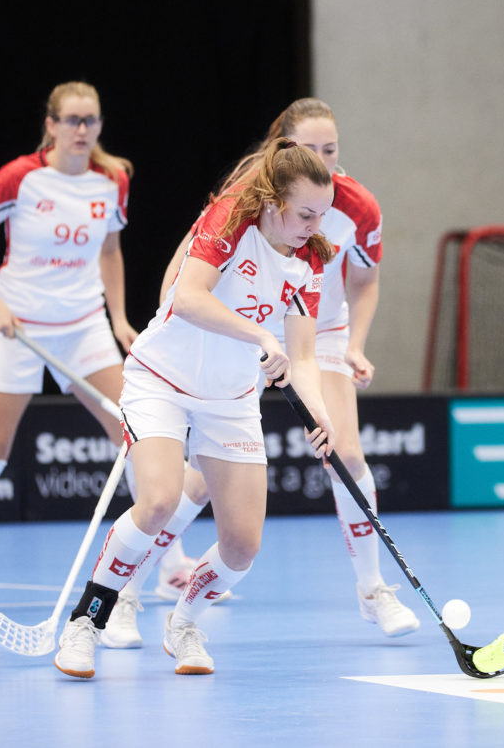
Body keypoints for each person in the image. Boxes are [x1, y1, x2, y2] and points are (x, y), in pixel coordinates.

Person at [96, 97, 418, 652]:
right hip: (232, 334)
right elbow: (186, 282)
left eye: (331, 149)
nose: (323, 160)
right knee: (186, 487)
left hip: (314, 331)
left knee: (343, 452)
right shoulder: (244, 200)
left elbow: (359, 285)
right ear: (283, 150)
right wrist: (187, 315)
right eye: (311, 149)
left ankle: (373, 589)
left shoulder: (351, 209)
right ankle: (125, 592)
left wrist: (350, 351)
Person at [53, 138, 337, 679]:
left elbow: (302, 355)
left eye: (322, 214)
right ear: (274, 201)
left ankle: (183, 623)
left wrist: (319, 412)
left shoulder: (311, 258)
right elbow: (186, 298)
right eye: (306, 214)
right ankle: (87, 621)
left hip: (229, 398)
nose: (314, 226)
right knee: (159, 500)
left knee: (243, 546)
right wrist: (260, 335)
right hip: (161, 379)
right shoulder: (230, 218)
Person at [0, 82, 135, 608]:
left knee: (134, 433)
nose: (82, 130)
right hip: (17, 327)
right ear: (51, 125)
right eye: (71, 120)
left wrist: (118, 318)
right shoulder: (19, 177)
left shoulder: (112, 180)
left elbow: (110, 250)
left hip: (83, 325)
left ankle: (168, 564)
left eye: (91, 120)